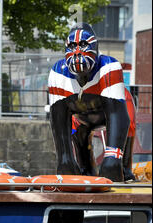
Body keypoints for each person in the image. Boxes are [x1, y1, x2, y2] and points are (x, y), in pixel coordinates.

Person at [48, 22, 136, 182]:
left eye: (83, 45)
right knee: (76, 133)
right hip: (82, 116)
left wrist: (112, 157)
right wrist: (64, 158)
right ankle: (85, 168)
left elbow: (117, 114)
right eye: (72, 46)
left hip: (109, 110)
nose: (77, 52)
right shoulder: (57, 73)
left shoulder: (109, 67)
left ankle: (125, 168)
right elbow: (59, 120)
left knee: (127, 121)